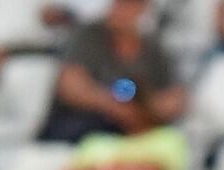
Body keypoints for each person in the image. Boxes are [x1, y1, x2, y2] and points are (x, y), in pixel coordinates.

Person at [40, 0, 184, 143]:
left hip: (135, 137)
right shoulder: (89, 36)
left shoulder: (153, 49)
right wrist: (114, 107)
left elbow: (174, 97)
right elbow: (70, 85)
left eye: (131, 4)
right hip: (83, 131)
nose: (123, 10)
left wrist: (146, 110)